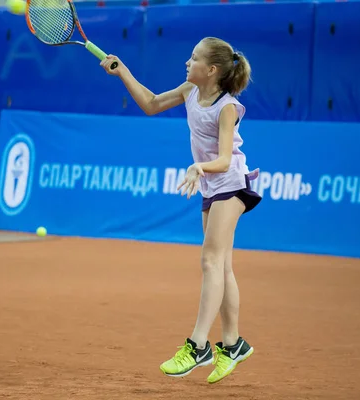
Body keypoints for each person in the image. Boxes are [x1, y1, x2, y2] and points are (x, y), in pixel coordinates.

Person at [100, 36, 261, 384]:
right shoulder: (190, 89)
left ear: (212, 70)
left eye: (194, 59)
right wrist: (123, 72)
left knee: (210, 261)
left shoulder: (227, 106)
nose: (187, 63)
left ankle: (198, 345)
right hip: (211, 186)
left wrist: (198, 168)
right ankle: (233, 345)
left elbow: (222, 157)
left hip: (230, 183)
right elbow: (152, 103)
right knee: (223, 265)